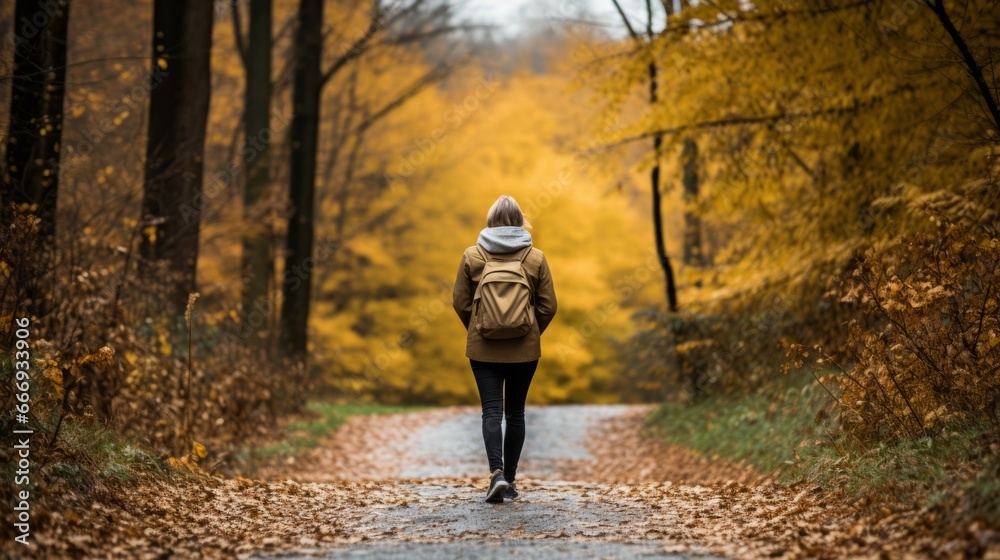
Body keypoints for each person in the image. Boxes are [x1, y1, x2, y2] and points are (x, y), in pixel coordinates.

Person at [452, 195, 558, 503]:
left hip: (483, 349)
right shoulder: (535, 258)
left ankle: (495, 474)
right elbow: (549, 306)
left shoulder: (472, 255)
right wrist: (529, 331)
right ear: (520, 221)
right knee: (515, 413)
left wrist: (480, 329)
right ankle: (509, 481)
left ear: (489, 221)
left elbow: (459, 302)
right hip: (524, 351)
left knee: (491, 411)